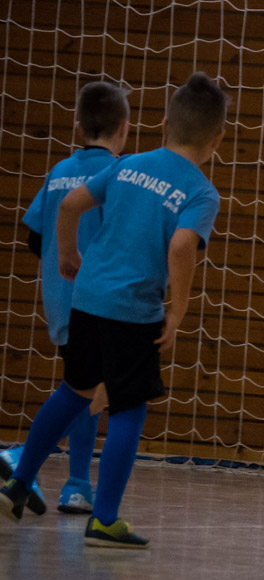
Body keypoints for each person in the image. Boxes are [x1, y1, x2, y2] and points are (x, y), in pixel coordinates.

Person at [0, 72, 228, 549]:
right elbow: (182, 245)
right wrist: (178, 310)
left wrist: (67, 255)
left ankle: (18, 483)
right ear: (217, 140)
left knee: (75, 390)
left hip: (86, 298)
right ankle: (104, 519)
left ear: (163, 124)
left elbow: (70, 206)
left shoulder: (128, 165)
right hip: (132, 310)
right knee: (128, 408)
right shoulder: (202, 192)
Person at [0, 81, 130, 516]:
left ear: (77, 128)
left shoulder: (59, 171)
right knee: (92, 392)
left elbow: (36, 238)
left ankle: (77, 485)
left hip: (60, 297)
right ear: (124, 128)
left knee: (84, 386)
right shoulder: (119, 175)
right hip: (101, 301)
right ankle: (23, 457)